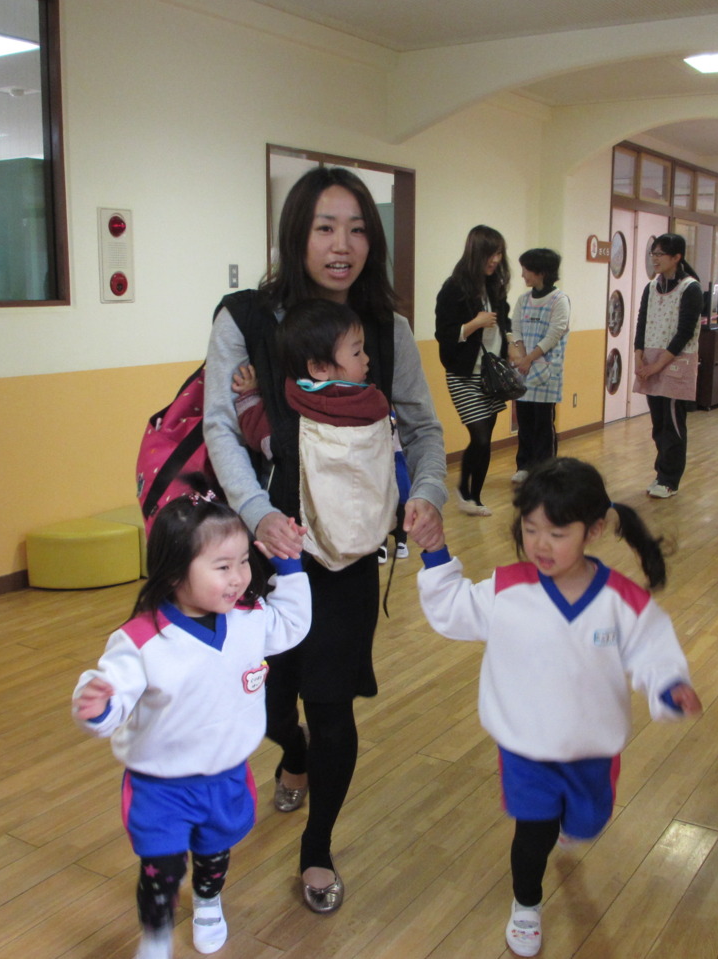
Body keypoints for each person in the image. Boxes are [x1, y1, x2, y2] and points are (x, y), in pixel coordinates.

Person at [203, 166, 447, 913]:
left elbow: (423, 428)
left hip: (346, 554)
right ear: (297, 234)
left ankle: (317, 849)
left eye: (358, 229)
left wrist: (428, 493)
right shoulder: (245, 319)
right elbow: (222, 426)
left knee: (332, 702)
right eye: (326, 228)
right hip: (263, 551)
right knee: (270, 703)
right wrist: (255, 513)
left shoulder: (386, 330)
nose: (343, 245)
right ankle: (294, 753)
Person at [416, 457, 702, 957]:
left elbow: (653, 651)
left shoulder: (621, 601)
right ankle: (526, 904)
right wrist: (435, 551)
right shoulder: (509, 589)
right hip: (525, 747)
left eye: (557, 533)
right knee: (534, 833)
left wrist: (669, 685)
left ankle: (573, 824)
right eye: (531, 530)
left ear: (593, 530)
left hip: (592, 748)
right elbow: (454, 609)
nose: (541, 545)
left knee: (587, 823)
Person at [72, 494, 311, 958]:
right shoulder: (140, 639)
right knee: (160, 869)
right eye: (222, 567)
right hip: (160, 786)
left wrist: (290, 568)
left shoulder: (248, 618)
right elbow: (113, 694)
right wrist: (98, 706)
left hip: (225, 775)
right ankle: (156, 933)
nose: (239, 576)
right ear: (174, 573)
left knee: (213, 855)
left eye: (243, 562)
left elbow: (291, 625)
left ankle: (207, 901)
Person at [231, 297, 397, 571]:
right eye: (357, 353)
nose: (367, 359)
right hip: (374, 526)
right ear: (319, 368)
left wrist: (249, 395)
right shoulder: (374, 403)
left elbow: (259, 436)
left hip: (311, 541)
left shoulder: (292, 412)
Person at [434, 225, 513, 516]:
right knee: (479, 436)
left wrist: (513, 344)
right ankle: (465, 492)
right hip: (463, 374)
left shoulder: (494, 286)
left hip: (491, 374)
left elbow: (505, 321)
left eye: (499, 253)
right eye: (491, 254)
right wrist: (474, 323)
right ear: (475, 253)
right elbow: (444, 334)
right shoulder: (454, 287)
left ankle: (473, 497)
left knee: (484, 439)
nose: (496, 260)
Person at [633, 233, 703, 498]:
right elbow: (642, 322)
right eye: (653, 253)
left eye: (660, 254)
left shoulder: (690, 288)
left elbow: (685, 332)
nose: (655, 259)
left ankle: (670, 480)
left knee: (672, 424)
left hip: (676, 362)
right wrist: (639, 356)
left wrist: (658, 365)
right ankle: (660, 474)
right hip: (650, 360)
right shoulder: (651, 287)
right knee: (658, 423)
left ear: (676, 257)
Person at [509, 248, 570, 484]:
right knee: (524, 421)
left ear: (541, 272)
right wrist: (520, 354)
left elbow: (554, 334)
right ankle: (524, 465)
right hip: (524, 369)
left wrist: (529, 358)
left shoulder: (559, 300)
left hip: (546, 370)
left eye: (526, 270)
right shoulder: (523, 300)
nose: (522, 274)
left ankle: (546, 470)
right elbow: (516, 329)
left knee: (543, 424)